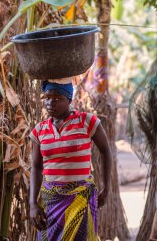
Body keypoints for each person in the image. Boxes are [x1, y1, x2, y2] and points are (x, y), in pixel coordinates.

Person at [29, 80, 112, 241]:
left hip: (80, 198)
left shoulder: (87, 121)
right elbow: (36, 167)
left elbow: (105, 151)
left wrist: (107, 188)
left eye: (57, 98)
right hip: (51, 200)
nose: (50, 103)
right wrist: (32, 203)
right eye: (47, 98)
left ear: (69, 100)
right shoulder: (39, 130)